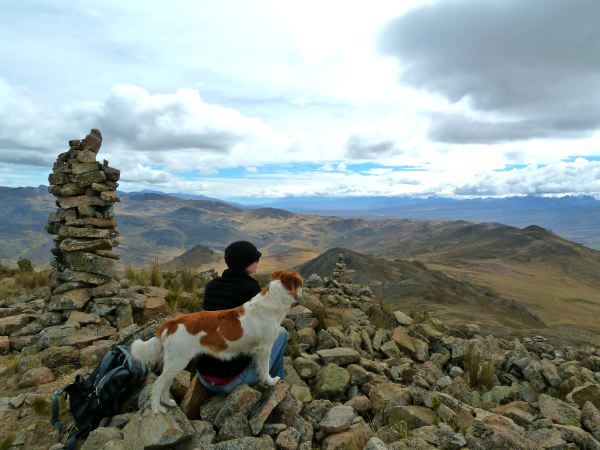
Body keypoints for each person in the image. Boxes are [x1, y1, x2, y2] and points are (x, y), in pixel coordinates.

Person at [194, 241, 288, 393]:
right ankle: (277, 385)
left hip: (205, 376)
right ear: (245, 263)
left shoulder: (212, 286)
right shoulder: (250, 288)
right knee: (280, 333)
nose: (257, 261)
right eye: (254, 259)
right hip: (230, 382)